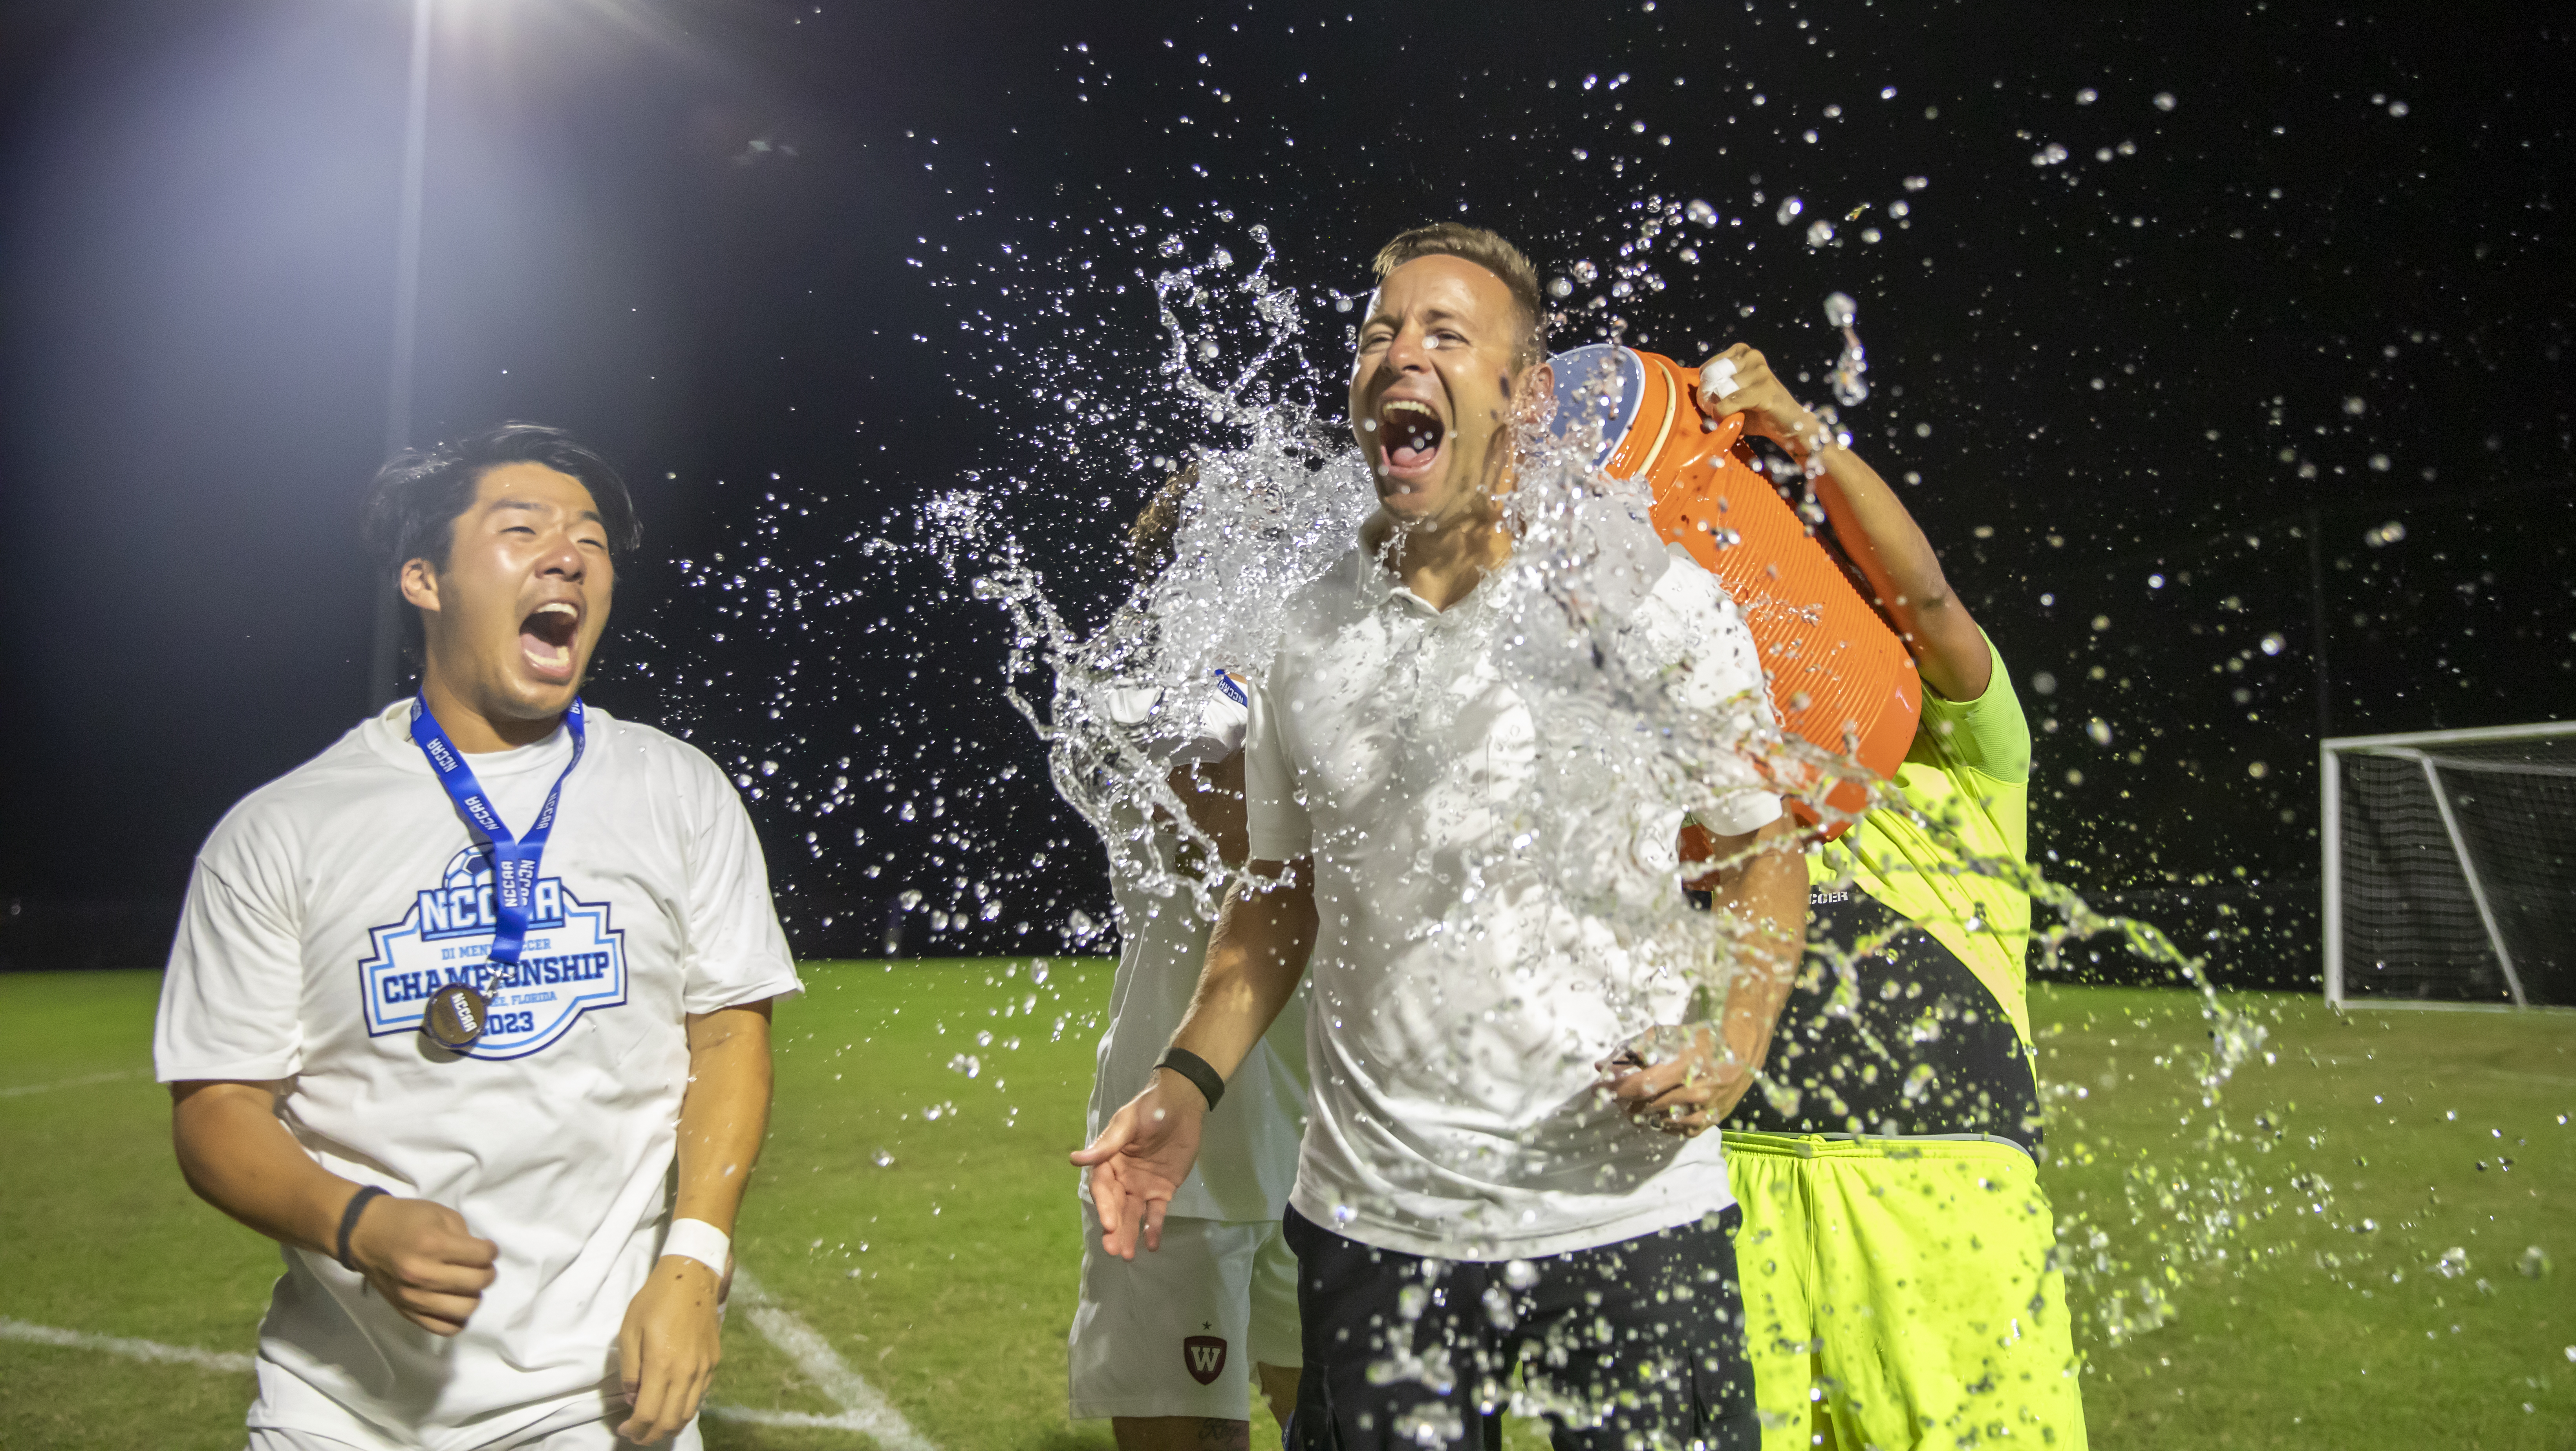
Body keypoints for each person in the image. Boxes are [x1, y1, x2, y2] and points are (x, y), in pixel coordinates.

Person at [1074, 223, 1808, 1451]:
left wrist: (1735, 1040)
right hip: (1380, 1231)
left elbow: (1759, 848)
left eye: (1445, 335)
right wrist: (1186, 1079)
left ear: (1524, 396)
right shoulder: (1304, 638)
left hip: (1626, 1216)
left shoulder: (1649, 600)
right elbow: (1278, 894)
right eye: (1378, 334)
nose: (1399, 352)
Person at [154, 424, 803, 1451]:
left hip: (600, 1404)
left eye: (590, 541)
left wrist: (693, 1262)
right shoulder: (281, 830)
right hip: (342, 1411)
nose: (569, 557)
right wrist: (355, 1221)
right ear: (424, 579)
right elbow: (217, 1108)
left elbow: (728, 1036)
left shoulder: (678, 792)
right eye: (524, 529)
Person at [1696, 347, 2089, 1449]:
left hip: (1946, 1182)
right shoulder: (1709, 783)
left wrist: (1798, 432)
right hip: (1739, 1177)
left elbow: (1928, 594)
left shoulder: (1963, 753)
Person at [1065, 473, 1309, 1449]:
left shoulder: (1314, 686)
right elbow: (1252, 840)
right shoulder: (1142, 702)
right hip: (1183, 1149)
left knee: (1349, 1427)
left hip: (1324, 1147)